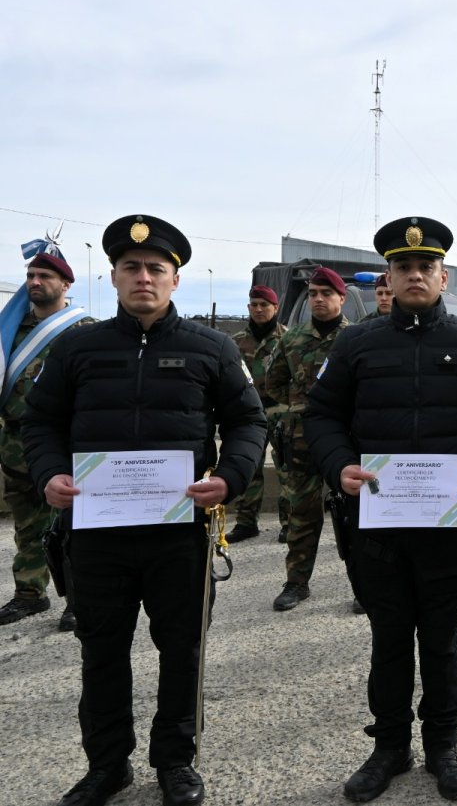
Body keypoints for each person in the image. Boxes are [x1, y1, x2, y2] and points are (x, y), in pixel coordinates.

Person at [22, 214, 266, 806]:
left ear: (175, 280)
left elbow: (247, 422)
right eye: (131, 267)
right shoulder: (76, 348)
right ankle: (107, 765)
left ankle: (175, 762)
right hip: (97, 535)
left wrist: (229, 477)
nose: (144, 277)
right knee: (101, 652)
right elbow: (41, 422)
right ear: (113, 277)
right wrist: (49, 474)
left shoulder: (211, 348)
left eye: (156, 268)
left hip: (177, 536)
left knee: (182, 651)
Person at [304, 216, 457, 802]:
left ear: (443, 276)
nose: (414, 275)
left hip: (447, 524)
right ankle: (389, 747)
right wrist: (339, 465)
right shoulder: (356, 344)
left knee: (440, 638)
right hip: (377, 526)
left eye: (425, 266)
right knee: (388, 640)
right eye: (403, 266)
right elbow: (322, 415)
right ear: (388, 276)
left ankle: (442, 746)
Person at [0, 236, 93, 631]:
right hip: (16, 443)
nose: (35, 282)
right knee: (27, 526)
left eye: (45, 276)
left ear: (66, 284)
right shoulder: (9, 331)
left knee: (71, 526)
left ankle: (78, 599)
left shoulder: (85, 331)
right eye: (31, 275)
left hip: (64, 443)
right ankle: (29, 594)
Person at [263, 267, 351, 612]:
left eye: (326, 293)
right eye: (313, 293)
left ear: (341, 298)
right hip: (301, 440)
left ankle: (363, 584)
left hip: (345, 440)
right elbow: (273, 382)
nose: (318, 299)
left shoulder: (355, 338)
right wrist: (297, 410)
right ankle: (296, 582)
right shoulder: (293, 337)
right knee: (301, 514)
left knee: (356, 515)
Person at [226, 285, 289, 543]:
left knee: (286, 467)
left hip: (280, 410)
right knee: (249, 466)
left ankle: (289, 523)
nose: (259, 309)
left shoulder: (288, 338)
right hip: (249, 413)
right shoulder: (236, 342)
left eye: (265, 305)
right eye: (254, 305)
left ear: (275, 308)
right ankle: (246, 522)